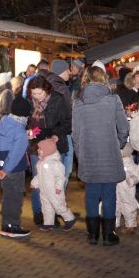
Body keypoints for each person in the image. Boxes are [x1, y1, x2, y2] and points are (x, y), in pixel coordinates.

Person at [72, 66, 128, 246]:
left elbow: (75, 134)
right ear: (103, 78)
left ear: (85, 79)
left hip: (88, 153)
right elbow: (124, 128)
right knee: (109, 193)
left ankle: (93, 234)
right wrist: (118, 144)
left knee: (91, 194)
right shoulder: (113, 100)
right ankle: (109, 235)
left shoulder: (78, 101)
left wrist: (80, 154)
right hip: (109, 152)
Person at [26, 75, 71, 226]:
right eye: (34, 94)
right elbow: (27, 123)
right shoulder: (29, 101)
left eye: (39, 93)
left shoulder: (58, 100)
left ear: (47, 90)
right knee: (38, 179)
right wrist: (30, 132)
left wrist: (55, 134)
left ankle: (56, 212)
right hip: (36, 148)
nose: (37, 97)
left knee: (55, 180)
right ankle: (38, 212)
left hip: (54, 147)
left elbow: (67, 122)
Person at [0, 96, 31, 238]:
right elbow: (15, 155)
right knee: (16, 197)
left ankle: (6, 226)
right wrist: (6, 170)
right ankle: (13, 227)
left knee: (7, 197)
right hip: (14, 169)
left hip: (1, 164)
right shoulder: (21, 132)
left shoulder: (3, 122)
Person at [31, 136, 76, 231]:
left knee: (59, 206)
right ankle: (48, 223)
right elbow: (38, 175)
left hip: (55, 191)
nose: (38, 151)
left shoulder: (56, 164)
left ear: (48, 151)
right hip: (44, 191)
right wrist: (34, 183)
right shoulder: (40, 163)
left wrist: (59, 187)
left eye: (40, 149)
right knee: (46, 207)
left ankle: (70, 218)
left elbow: (60, 177)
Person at [47, 59, 74, 187]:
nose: (70, 72)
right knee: (64, 168)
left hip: (47, 132)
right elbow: (67, 113)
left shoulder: (47, 84)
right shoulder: (62, 88)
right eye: (68, 69)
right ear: (61, 71)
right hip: (62, 132)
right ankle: (60, 193)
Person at [115, 143, 139, 233]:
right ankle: (115, 223)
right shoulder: (113, 162)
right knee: (114, 203)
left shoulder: (130, 164)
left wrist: (132, 180)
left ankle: (130, 224)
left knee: (128, 203)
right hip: (115, 185)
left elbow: (138, 175)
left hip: (126, 188)